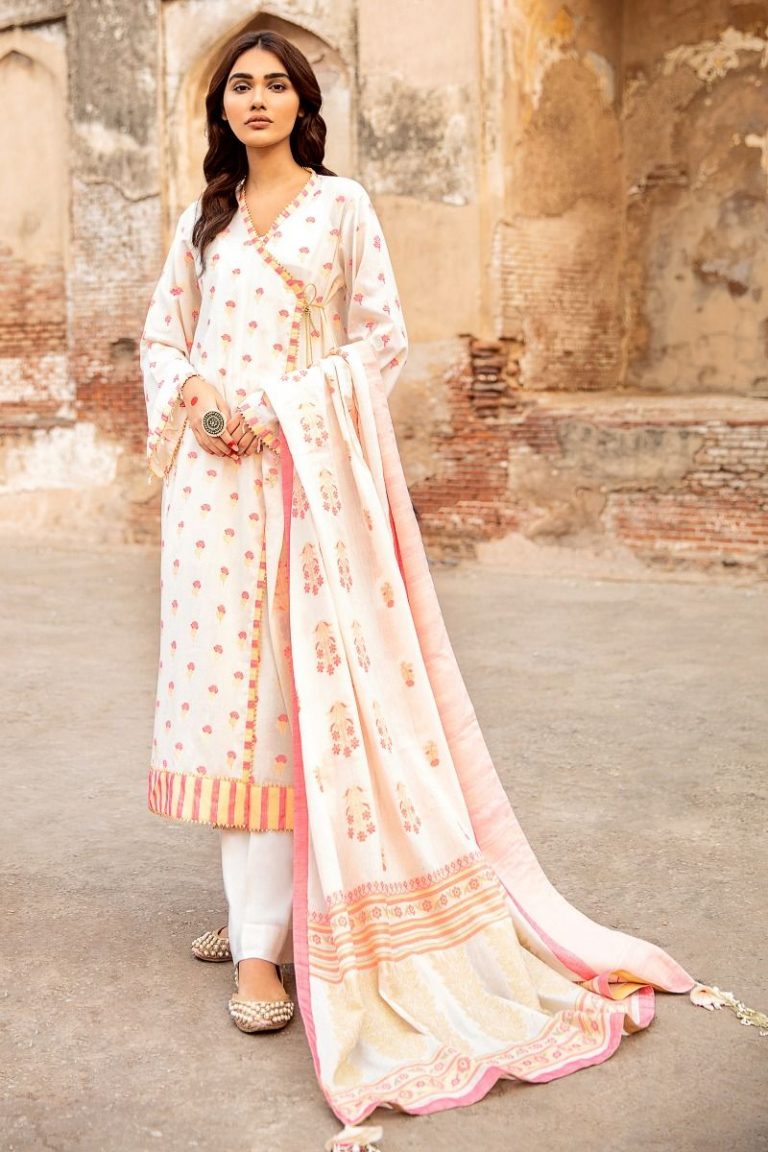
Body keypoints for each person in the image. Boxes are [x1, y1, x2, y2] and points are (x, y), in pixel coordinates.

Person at [141, 27, 762, 1151]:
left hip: (308, 488)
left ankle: (261, 946)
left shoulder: (341, 208)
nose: (257, 98)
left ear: (304, 104)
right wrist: (198, 400)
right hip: (212, 494)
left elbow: (379, 342)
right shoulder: (205, 222)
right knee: (232, 700)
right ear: (219, 107)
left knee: (299, 697)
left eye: (276, 84)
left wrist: (278, 408)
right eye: (240, 85)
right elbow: (161, 341)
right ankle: (254, 912)